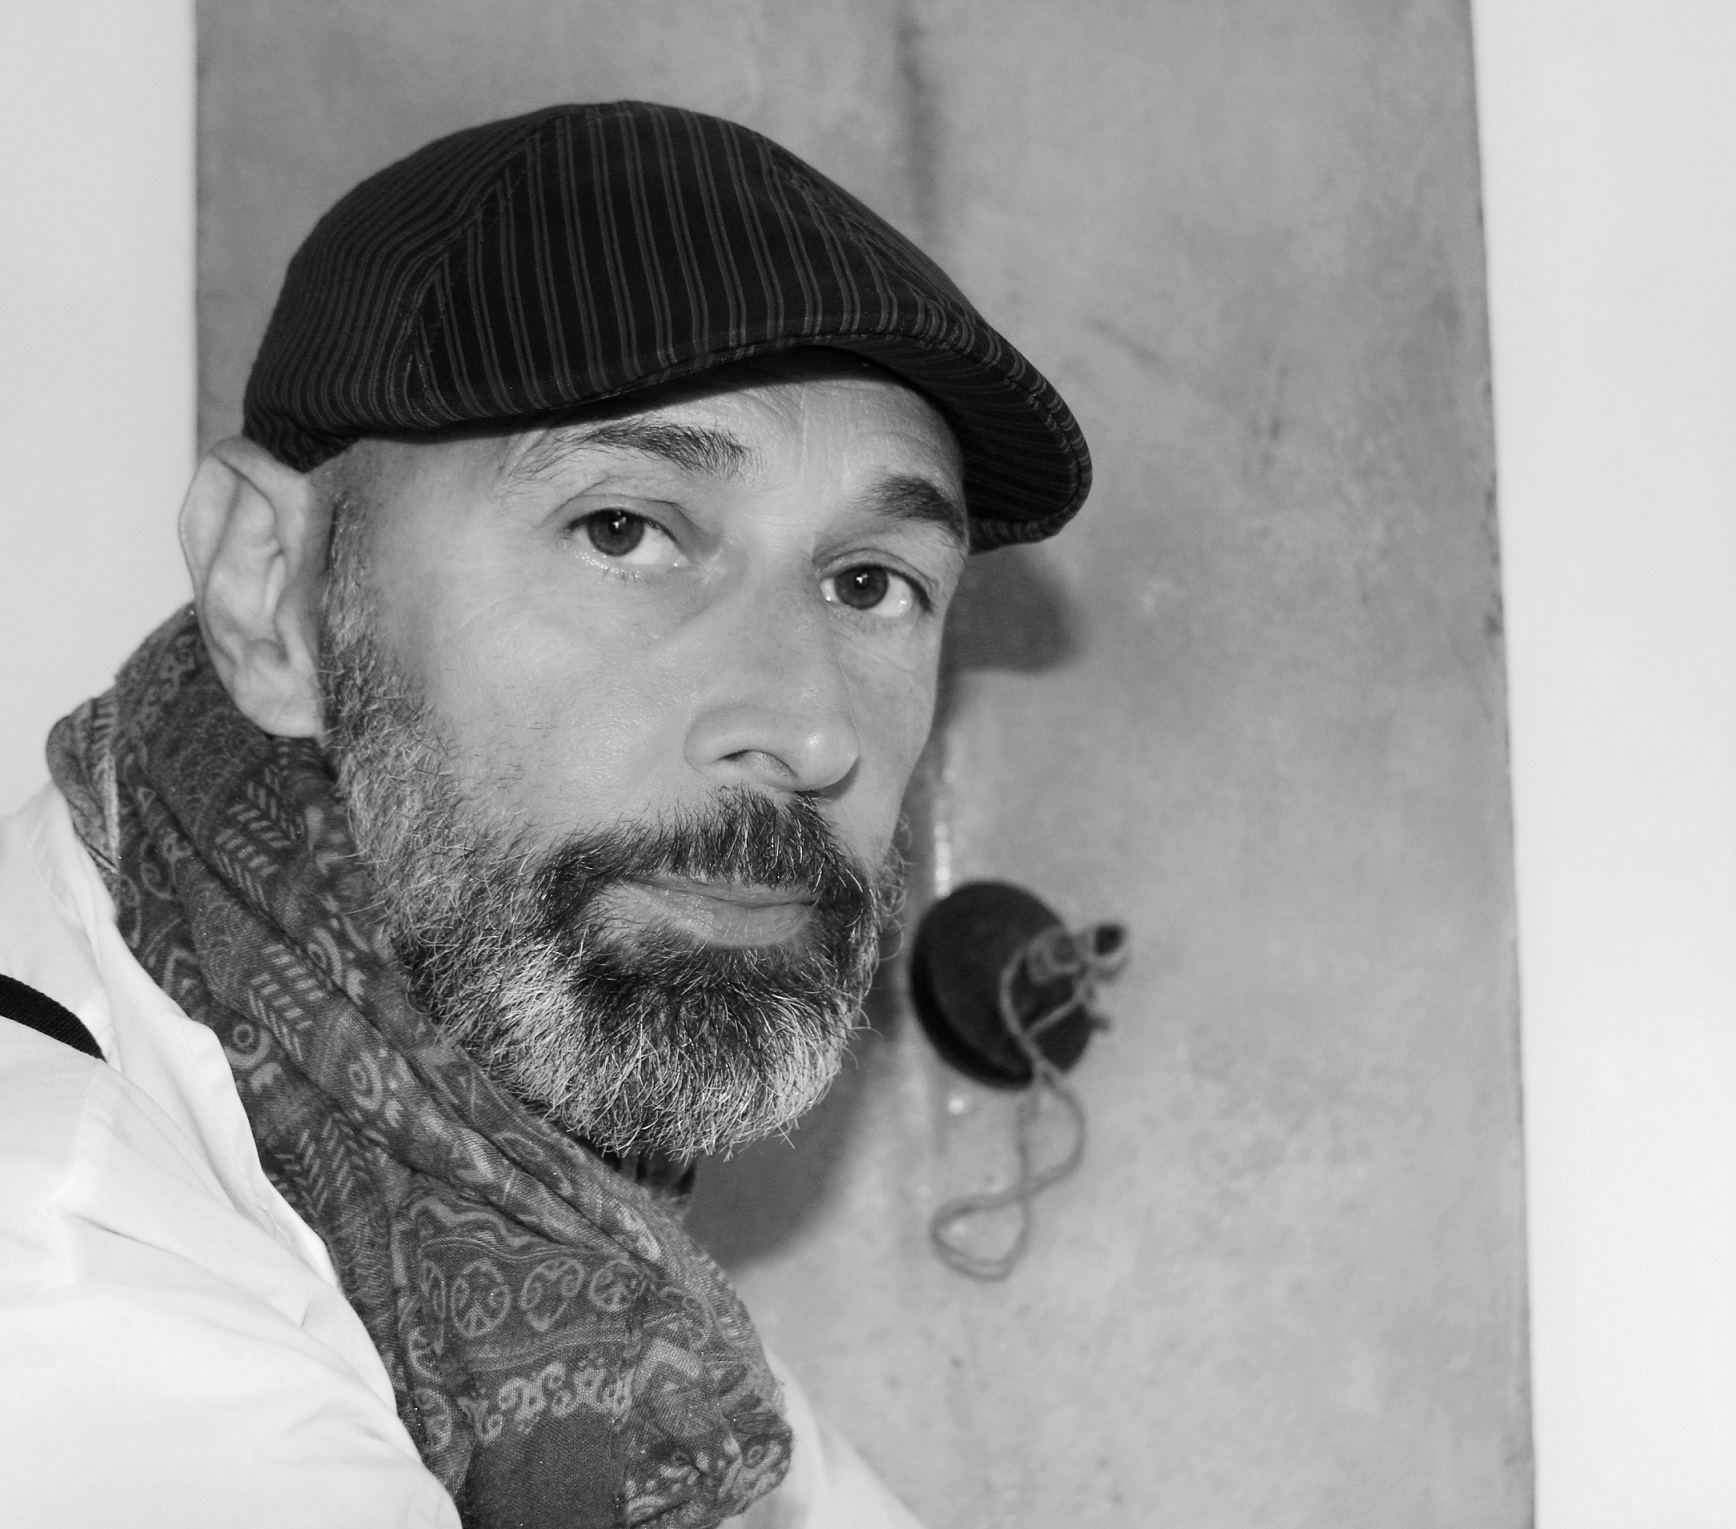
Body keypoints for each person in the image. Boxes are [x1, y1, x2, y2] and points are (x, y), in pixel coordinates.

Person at [0, 101, 1090, 1529]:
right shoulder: (63, 1276)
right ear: (272, 591)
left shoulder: (547, 1242)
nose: (813, 728)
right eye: (622, 530)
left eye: (869, 582)